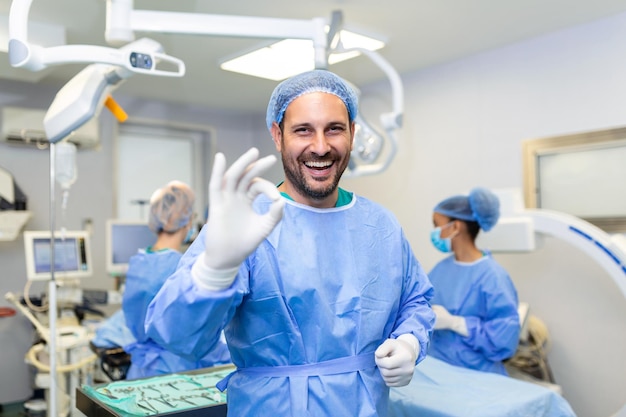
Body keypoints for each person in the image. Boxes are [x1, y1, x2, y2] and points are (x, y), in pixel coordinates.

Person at [144, 70, 435, 416]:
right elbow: (176, 337)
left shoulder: (380, 224)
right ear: (277, 135)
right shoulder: (246, 225)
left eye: (334, 129)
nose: (321, 146)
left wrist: (410, 341)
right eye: (303, 130)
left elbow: (415, 300)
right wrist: (213, 271)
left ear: (353, 134)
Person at [93, 180, 231, 380]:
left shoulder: (139, 261)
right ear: (188, 220)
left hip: (141, 369)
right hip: (175, 371)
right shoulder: (181, 268)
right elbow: (191, 333)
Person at [427, 187, 520, 375]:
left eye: (437, 225)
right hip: (438, 371)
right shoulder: (441, 269)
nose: (435, 233)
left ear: (456, 227)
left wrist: (456, 323)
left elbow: (505, 338)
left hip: (477, 376)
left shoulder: (492, 276)